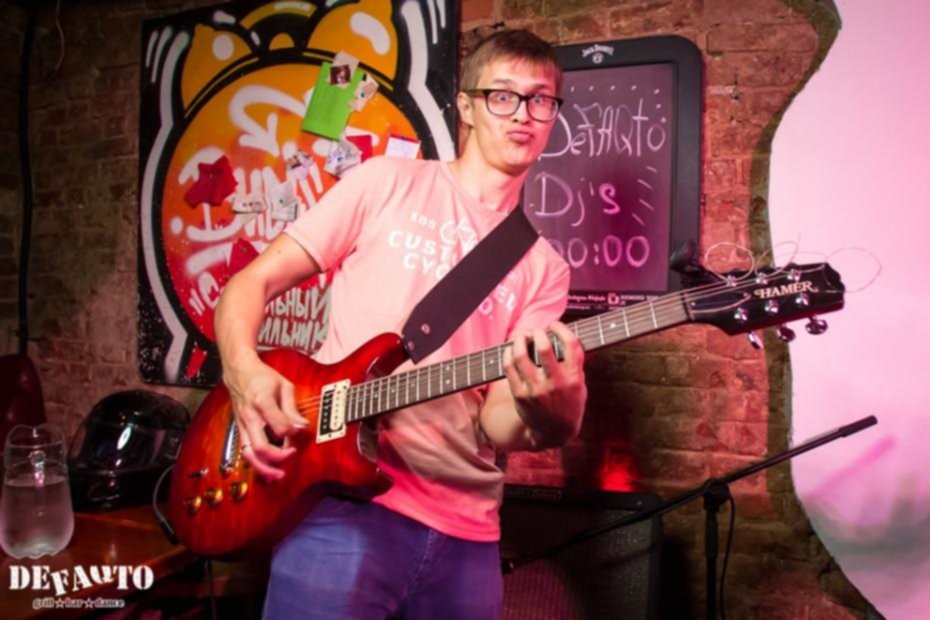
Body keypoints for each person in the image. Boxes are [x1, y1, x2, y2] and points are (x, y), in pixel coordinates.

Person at [214, 29, 588, 619]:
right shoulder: (385, 182)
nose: (522, 113)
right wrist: (243, 371)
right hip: (341, 506)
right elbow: (249, 284)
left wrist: (552, 415)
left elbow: (494, 419)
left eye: (540, 99)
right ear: (466, 107)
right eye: (502, 95)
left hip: (466, 530)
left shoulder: (544, 268)